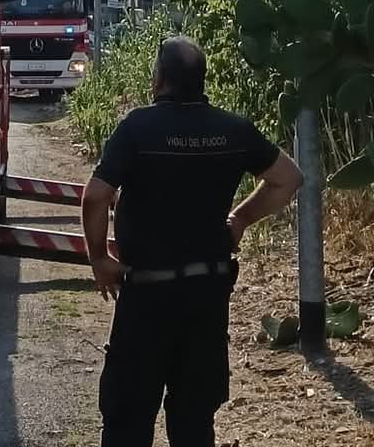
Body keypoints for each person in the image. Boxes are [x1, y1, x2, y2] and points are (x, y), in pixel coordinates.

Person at [80, 35, 302, 447]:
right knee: (194, 423)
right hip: (207, 299)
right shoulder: (233, 129)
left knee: (128, 421)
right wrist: (241, 218)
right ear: (201, 80)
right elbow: (288, 178)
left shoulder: (137, 128)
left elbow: (95, 196)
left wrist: (98, 258)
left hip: (147, 300)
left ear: (159, 78)